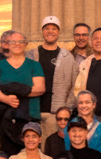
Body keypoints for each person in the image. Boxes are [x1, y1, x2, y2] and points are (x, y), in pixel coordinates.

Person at [0, 30, 45, 152]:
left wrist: (16, 88)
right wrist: (6, 99)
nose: (17, 44)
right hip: (3, 118)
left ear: (25, 44)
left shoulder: (34, 65)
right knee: (5, 154)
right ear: (7, 44)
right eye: (13, 42)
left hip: (28, 117)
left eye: (20, 41)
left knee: (28, 153)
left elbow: (40, 88)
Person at [26, 15, 77, 146]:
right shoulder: (31, 55)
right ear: (42, 31)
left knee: (53, 152)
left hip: (56, 115)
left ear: (58, 32)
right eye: (47, 28)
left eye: (54, 28)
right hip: (33, 114)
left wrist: (66, 110)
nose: (50, 31)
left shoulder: (67, 57)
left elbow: (75, 86)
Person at [65, 90, 101, 155]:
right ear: (77, 105)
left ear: (94, 105)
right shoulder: (68, 126)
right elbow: (67, 151)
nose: (84, 105)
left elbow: (99, 154)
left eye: (87, 102)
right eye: (80, 103)